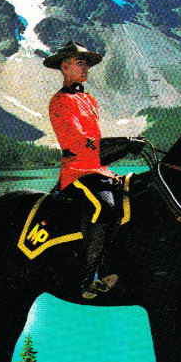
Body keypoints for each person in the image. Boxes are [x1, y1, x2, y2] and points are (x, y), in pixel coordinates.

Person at [44, 40, 145, 299]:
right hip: (76, 172)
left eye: (87, 62)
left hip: (99, 170)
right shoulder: (60, 101)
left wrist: (122, 145)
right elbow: (78, 144)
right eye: (80, 62)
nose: (86, 67)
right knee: (104, 206)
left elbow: (95, 143)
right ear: (65, 67)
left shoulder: (89, 99)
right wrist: (123, 145)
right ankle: (89, 278)